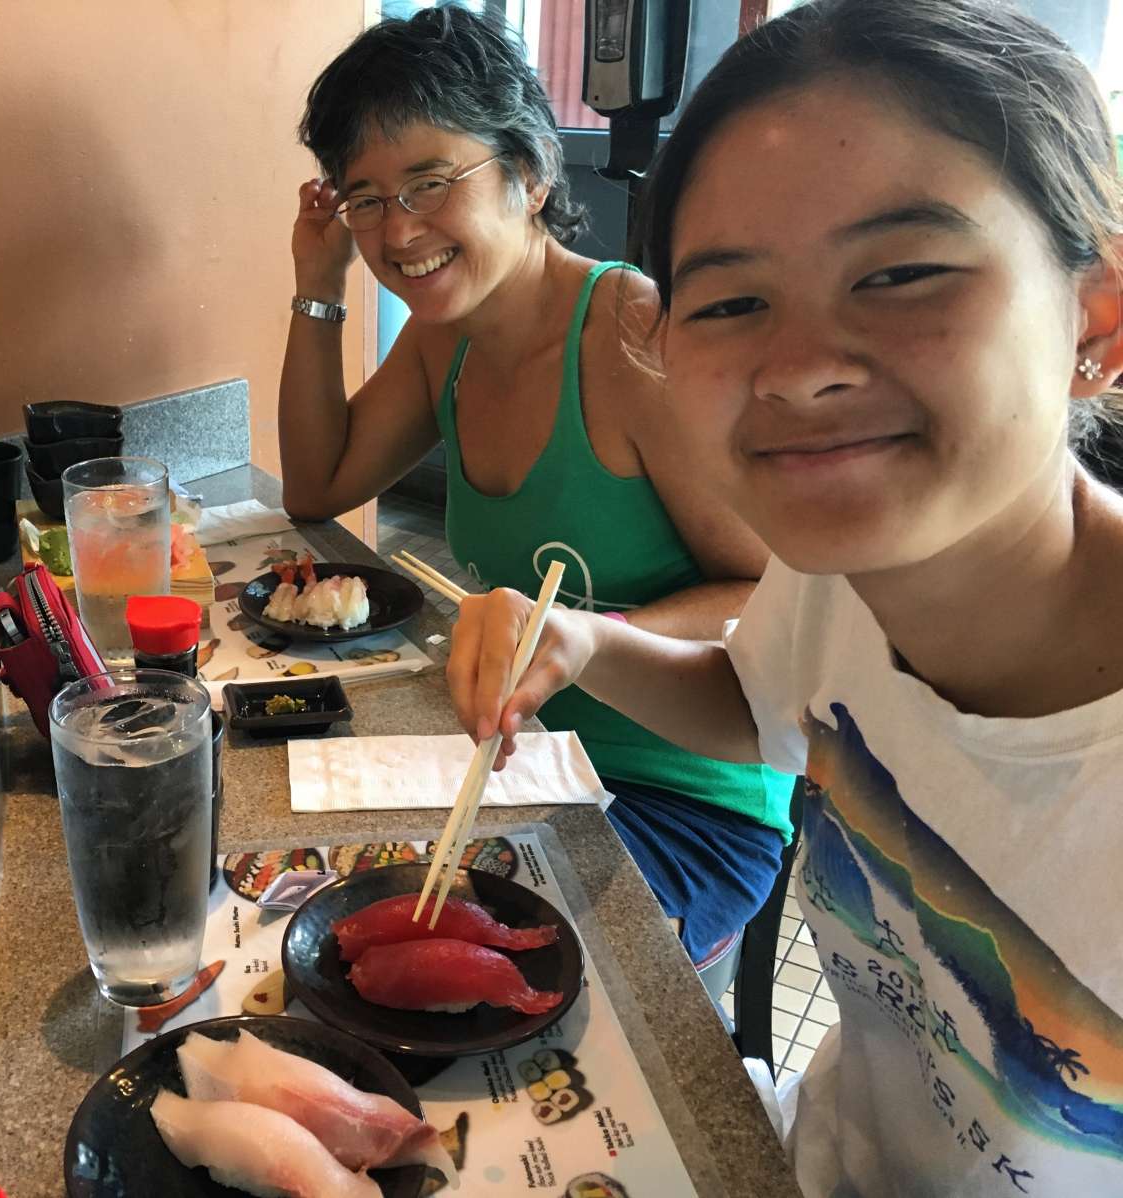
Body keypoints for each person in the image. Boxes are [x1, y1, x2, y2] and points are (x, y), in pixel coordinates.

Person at [447, 0, 1123, 1192]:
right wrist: (583, 642)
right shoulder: (835, 570)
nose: (801, 369)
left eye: (902, 274)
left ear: (1096, 323)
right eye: (731, 302)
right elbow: (754, 703)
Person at [281, 6, 794, 964]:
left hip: (679, 796)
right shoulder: (443, 339)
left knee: (471, 980)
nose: (399, 229)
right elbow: (317, 487)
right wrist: (320, 283)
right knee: (326, 926)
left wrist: (581, 642)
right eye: (366, 198)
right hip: (518, 761)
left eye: (430, 182)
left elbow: (772, 591)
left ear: (530, 172)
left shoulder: (631, 334)